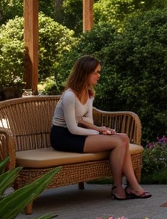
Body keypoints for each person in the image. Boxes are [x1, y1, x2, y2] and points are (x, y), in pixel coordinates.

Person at [51, 55, 151, 200]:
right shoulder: (70, 96)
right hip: (63, 137)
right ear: (85, 73)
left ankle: (130, 187)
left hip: (79, 133)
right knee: (119, 140)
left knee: (123, 138)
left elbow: (88, 120)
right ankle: (122, 186)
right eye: (96, 72)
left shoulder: (89, 93)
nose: (99, 75)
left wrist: (97, 129)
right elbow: (72, 128)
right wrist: (99, 132)